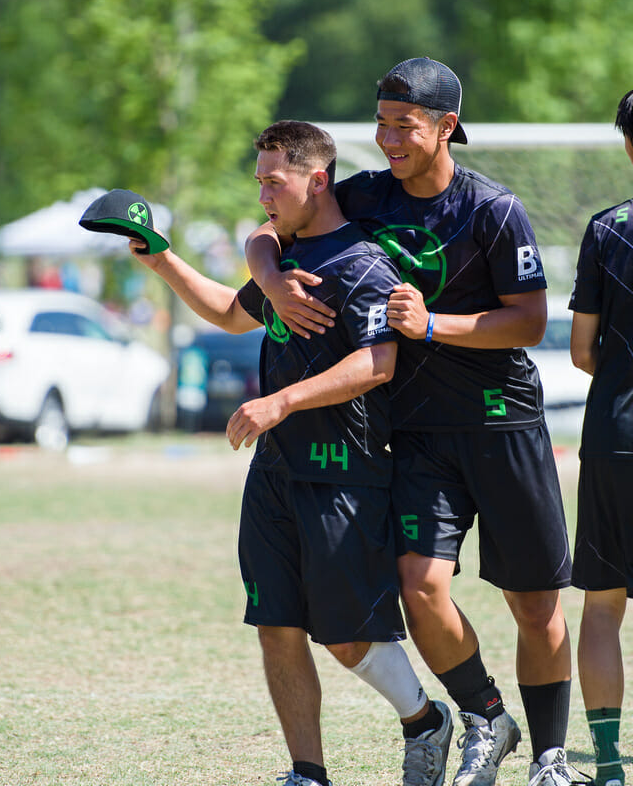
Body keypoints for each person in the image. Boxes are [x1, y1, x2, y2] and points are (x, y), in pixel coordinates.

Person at [245, 59, 582, 786]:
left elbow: (527, 323)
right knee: (418, 582)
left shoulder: (492, 209)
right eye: (382, 122)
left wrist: (434, 326)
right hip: (419, 432)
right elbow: (274, 227)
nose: (388, 138)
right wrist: (270, 278)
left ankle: (552, 757)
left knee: (532, 602)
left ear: (446, 127)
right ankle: (485, 716)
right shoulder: (365, 196)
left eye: (405, 124)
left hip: (502, 424)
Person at [130, 120, 453, 786]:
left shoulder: (361, 262)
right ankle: (308, 772)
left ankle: (425, 720)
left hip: (346, 473)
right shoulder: (282, 259)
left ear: (317, 179)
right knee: (275, 624)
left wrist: (280, 401)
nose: (263, 197)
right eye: (260, 183)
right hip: (274, 473)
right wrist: (159, 258)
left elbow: (376, 364)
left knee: (344, 638)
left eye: (273, 182)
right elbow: (226, 311)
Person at [569, 88, 633, 786]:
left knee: (603, 605)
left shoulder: (608, 228)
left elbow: (582, 351)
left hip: (616, 434)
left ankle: (609, 767)